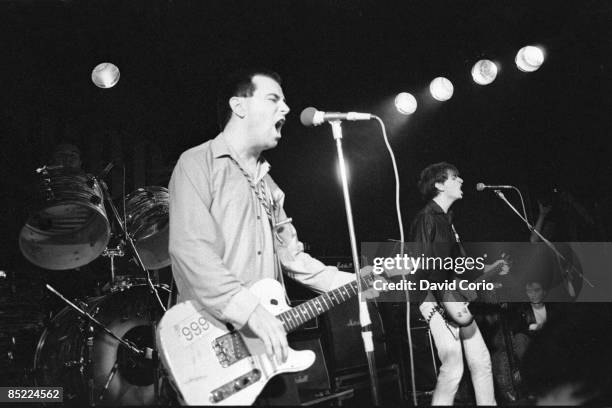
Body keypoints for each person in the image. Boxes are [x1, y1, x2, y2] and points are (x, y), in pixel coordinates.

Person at [168, 69, 362, 399]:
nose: (286, 109)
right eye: (273, 99)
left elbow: (293, 258)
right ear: (239, 106)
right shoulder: (197, 163)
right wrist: (250, 311)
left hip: (271, 351)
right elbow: (190, 250)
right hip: (213, 346)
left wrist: (357, 281)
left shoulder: (270, 187)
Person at [409, 162, 498, 405]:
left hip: (451, 298)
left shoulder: (447, 220)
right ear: (439, 184)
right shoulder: (427, 219)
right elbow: (425, 268)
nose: (460, 181)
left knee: (481, 361)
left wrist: (486, 269)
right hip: (434, 300)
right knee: (454, 367)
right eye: (454, 177)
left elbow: (458, 263)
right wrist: (448, 303)